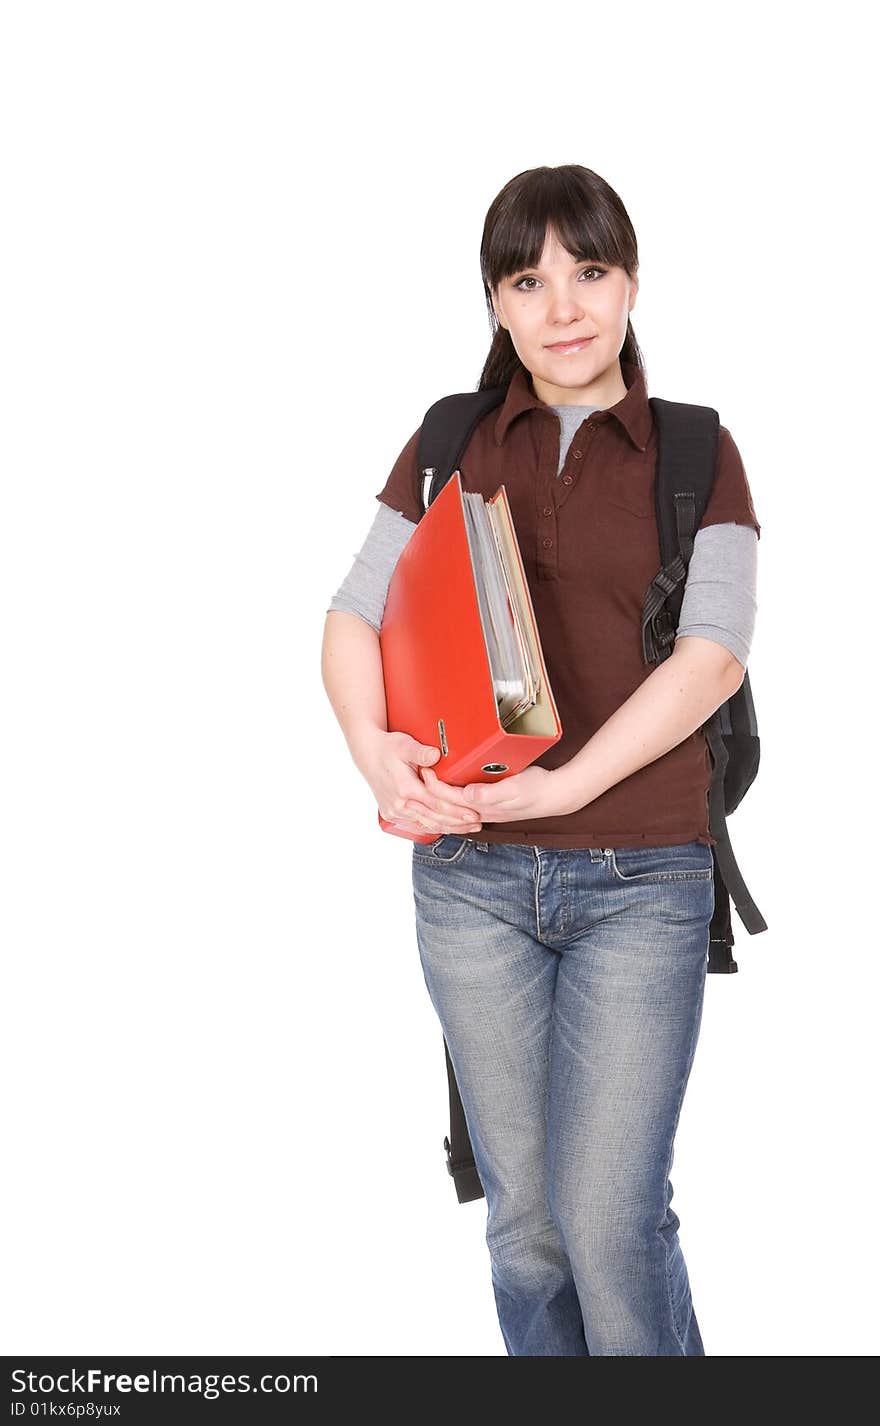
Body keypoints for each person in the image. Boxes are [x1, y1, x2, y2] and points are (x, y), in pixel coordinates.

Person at [321, 164, 760, 1356]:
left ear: (629, 283)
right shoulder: (449, 439)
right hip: (469, 881)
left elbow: (712, 655)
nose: (563, 306)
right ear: (496, 303)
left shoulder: (694, 451)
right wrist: (376, 756)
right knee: (526, 1229)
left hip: (642, 879)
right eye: (529, 279)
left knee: (612, 1221)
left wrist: (564, 784)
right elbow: (354, 615)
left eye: (589, 271)